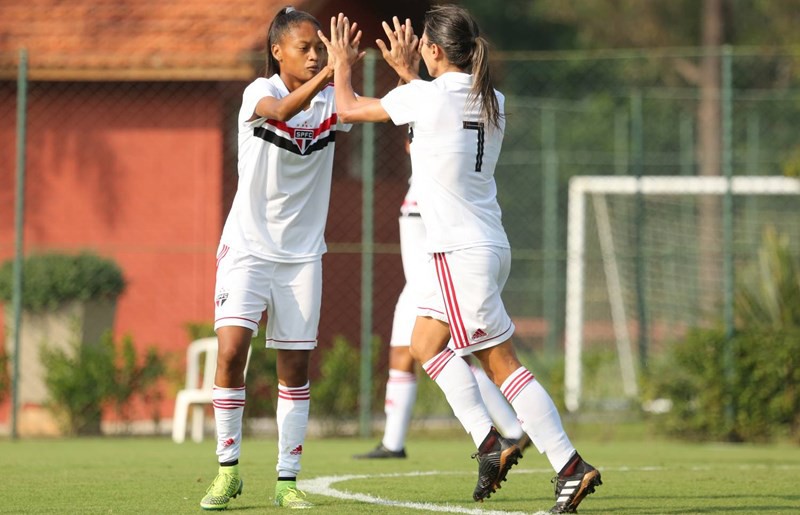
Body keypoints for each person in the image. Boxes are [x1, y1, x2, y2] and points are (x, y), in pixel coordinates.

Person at [321, 6, 602, 513]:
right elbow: (433, 129)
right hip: (487, 245)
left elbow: (345, 108)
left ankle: (569, 464)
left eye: (425, 47)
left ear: (432, 50)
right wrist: (412, 75)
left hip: (458, 253)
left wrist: (342, 61)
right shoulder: (491, 96)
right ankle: (490, 443)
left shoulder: (424, 97)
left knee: (503, 367)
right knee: (426, 342)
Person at [200, 6, 361, 511]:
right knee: (230, 352)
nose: (315, 56)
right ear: (278, 52)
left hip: (301, 257)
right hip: (247, 247)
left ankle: (288, 480)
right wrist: (329, 78)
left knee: (295, 367)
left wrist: (394, 75)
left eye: (320, 48)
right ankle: (228, 472)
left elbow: (376, 110)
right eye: (305, 48)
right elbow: (280, 112)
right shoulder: (259, 92)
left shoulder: (335, 99)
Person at [354, 143, 529, 460]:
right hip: (415, 285)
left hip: (436, 282)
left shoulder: (442, 179)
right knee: (400, 356)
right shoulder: (420, 177)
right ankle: (393, 443)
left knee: (459, 357)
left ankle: (513, 428)